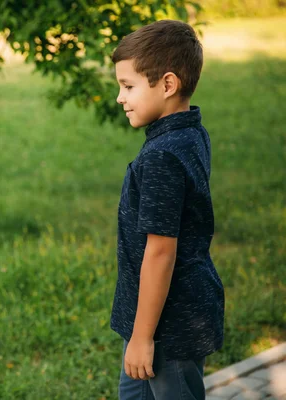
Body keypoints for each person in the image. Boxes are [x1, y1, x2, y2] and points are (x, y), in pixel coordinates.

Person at [110, 19, 225, 400]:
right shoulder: (190, 133)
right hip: (157, 320)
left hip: (167, 329)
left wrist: (143, 338)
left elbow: (161, 250)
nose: (120, 97)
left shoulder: (162, 156)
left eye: (128, 86)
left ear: (169, 84)